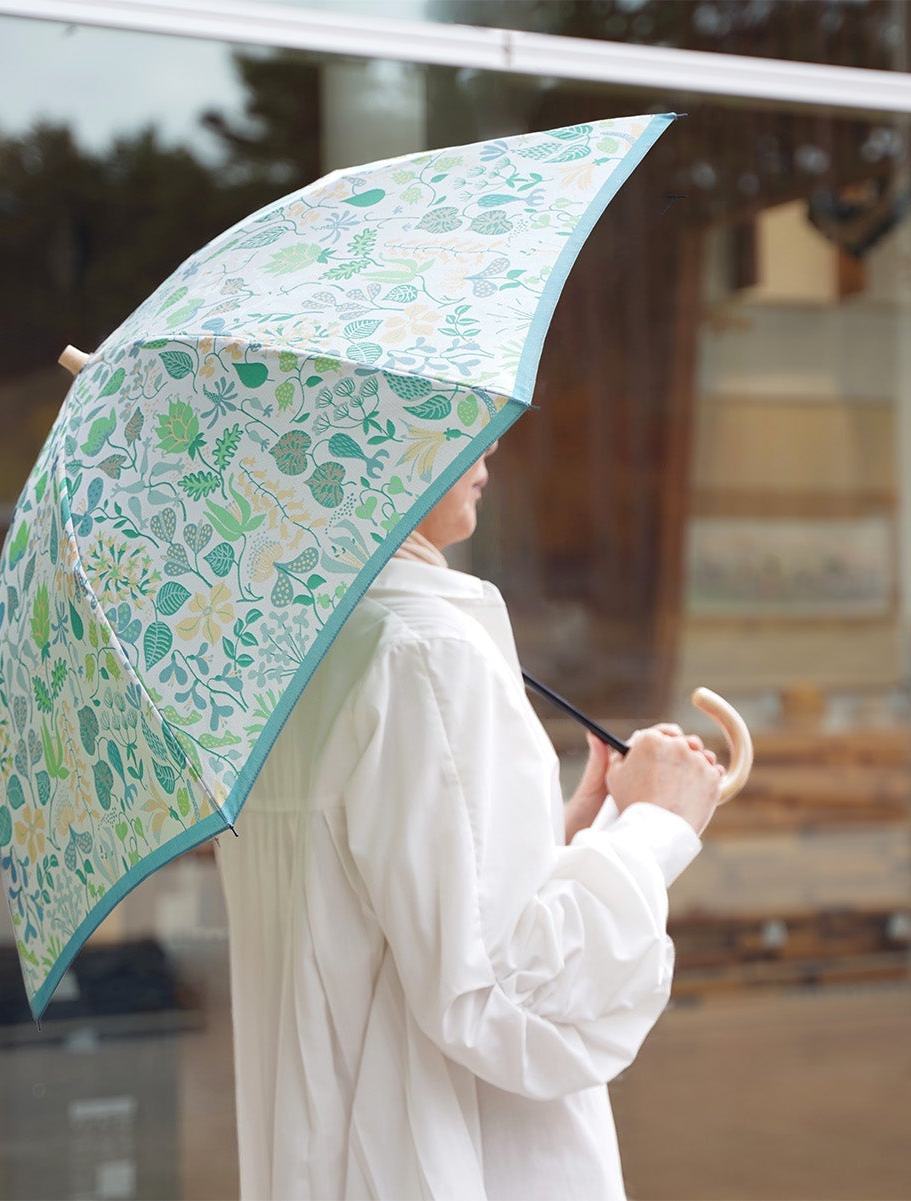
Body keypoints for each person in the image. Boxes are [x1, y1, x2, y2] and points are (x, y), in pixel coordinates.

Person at [217, 439, 725, 1199]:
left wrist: (568, 836)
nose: (487, 443)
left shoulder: (280, 647)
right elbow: (509, 992)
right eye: (448, 422)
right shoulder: (423, 650)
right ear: (363, 443)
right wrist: (654, 827)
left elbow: (389, 908)